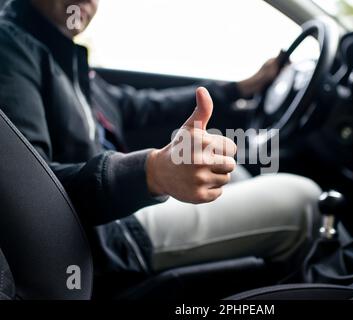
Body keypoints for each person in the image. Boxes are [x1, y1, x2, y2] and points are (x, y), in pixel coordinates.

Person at [0, 0, 321, 278]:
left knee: (229, 169)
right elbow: (31, 192)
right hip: (100, 237)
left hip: (120, 211)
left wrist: (240, 88)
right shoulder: (11, 48)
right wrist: (151, 173)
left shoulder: (63, 58)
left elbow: (140, 106)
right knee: (303, 199)